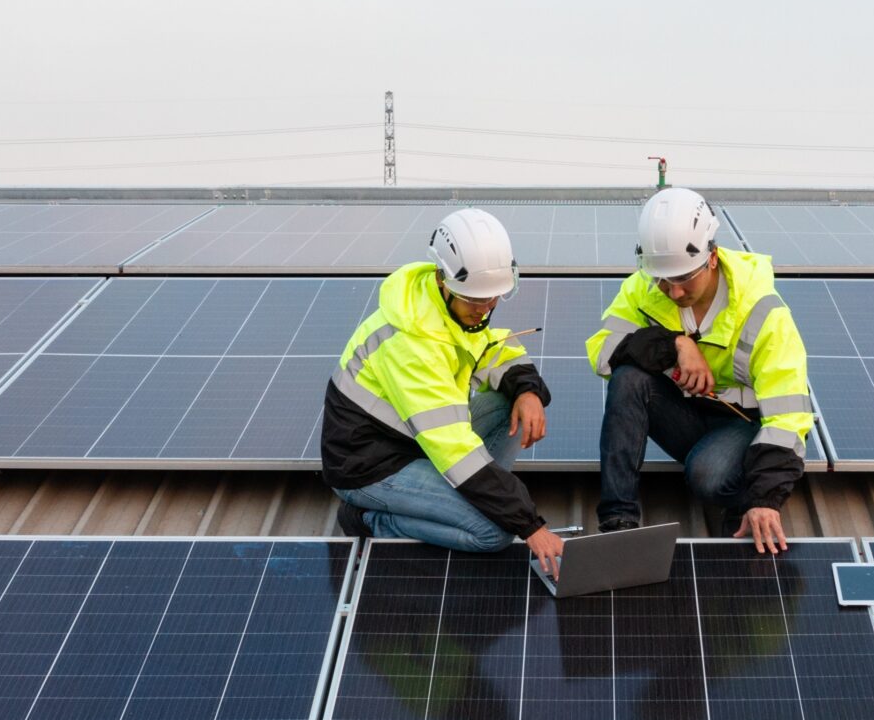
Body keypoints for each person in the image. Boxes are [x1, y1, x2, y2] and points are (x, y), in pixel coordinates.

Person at [323, 208, 566, 577]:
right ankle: (370, 520)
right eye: (476, 300)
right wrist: (529, 523)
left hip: (415, 441)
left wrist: (528, 391)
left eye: (493, 298)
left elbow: (493, 347)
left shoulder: (453, 309)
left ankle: (478, 498)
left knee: (507, 402)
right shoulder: (410, 344)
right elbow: (455, 452)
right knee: (495, 531)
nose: (485, 310)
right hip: (370, 465)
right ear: (443, 280)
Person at [585, 188, 812, 553]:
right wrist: (675, 344)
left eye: (683, 279)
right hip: (688, 418)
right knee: (627, 378)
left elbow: (788, 417)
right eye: (663, 279)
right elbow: (602, 353)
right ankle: (618, 522)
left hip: (746, 425)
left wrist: (765, 497)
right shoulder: (642, 289)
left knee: (707, 476)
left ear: (711, 256)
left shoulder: (762, 309)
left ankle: (742, 504)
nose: (672, 292)